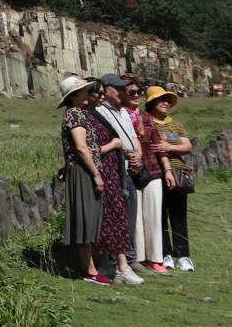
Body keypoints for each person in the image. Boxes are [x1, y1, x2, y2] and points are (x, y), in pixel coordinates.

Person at [60, 75, 123, 284]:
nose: (88, 94)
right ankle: (89, 270)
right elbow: (81, 148)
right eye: (84, 92)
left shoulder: (79, 113)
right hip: (83, 171)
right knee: (85, 219)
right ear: (73, 96)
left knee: (89, 219)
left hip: (84, 169)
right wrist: (97, 175)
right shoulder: (74, 115)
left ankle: (90, 269)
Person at [94, 74, 144, 284]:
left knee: (129, 216)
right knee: (116, 216)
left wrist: (138, 156)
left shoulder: (122, 111)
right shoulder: (99, 111)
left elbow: (133, 137)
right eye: (119, 88)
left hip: (129, 170)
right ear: (106, 89)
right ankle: (116, 262)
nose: (123, 92)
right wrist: (125, 152)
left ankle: (128, 258)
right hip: (115, 170)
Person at [144, 86, 194, 271]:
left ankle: (183, 255)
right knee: (160, 215)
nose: (166, 103)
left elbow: (187, 146)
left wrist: (169, 147)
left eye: (168, 100)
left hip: (178, 172)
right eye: (161, 99)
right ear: (152, 102)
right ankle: (164, 253)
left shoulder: (176, 124)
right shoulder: (147, 122)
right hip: (156, 173)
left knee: (179, 214)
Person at [128, 81, 171, 273]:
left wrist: (167, 169)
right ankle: (138, 258)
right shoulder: (118, 115)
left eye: (138, 91)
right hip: (131, 171)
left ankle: (156, 258)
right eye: (131, 92)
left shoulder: (146, 116)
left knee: (154, 214)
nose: (136, 95)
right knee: (135, 217)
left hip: (152, 170)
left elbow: (158, 144)